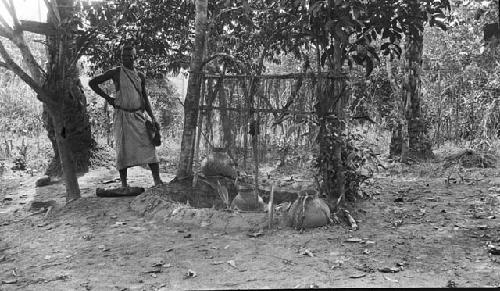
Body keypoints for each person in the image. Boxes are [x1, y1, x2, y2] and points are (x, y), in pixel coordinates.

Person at [89, 44, 163, 187]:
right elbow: (93, 83)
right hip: (122, 116)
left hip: (138, 116)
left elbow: (145, 98)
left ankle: (157, 180)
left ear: (135, 57)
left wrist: (153, 117)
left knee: (149, 146)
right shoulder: (116, 72)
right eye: (124, 56)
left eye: (130, 56)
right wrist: (109, 99)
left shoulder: (140, 76)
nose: (126, 59)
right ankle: (124, 185)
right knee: (122, 150)